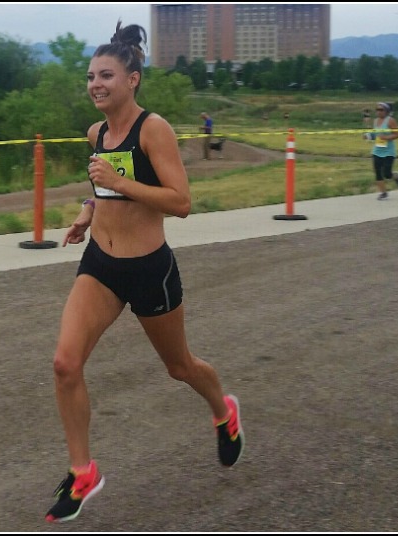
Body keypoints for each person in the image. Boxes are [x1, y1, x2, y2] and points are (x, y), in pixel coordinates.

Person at [45, 21, 244, 523]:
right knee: (65, 364)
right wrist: (88, 212)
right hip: (101, 264)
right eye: (90, 75)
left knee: (179, 367)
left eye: (106, 75)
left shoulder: (153, 130)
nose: (95, 83)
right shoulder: (95, 133)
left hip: (148, 269)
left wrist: (115, 180)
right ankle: (82, 470)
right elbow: (103, 186)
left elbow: (180, 202)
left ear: (132, 79)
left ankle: (224, 411)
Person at [363, 102, 398, 200]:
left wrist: (386, 137)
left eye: (381, 110)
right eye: (377, 110)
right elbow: (375, 134)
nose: (378, 112)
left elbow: (397, 134)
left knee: (387, 174)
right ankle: (383, 193)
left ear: (387, 111)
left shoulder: (391, 121)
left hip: (389, 151)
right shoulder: (376, 121)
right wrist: (368, 136)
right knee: (377, 172)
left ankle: (395, 175)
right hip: (377, 150)